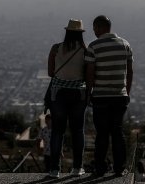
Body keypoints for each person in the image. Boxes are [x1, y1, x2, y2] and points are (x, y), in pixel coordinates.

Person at [85, 15, 133, 177]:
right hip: (120, 96)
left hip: (100, 97)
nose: (94, 31)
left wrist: (88, 93)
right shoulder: (125, 44)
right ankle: (120, 168)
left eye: (94, 28)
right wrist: (127, 91)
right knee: (117, 131)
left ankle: (100, 168)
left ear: (100, 27)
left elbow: (90, 73)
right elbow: (130, 71)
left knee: (102, 134)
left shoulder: (93, 47)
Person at [47, 19, 87, 178]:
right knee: (77, 131)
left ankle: (54, 169)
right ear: (80, 34)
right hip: (78, 93)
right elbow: (87, 74)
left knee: (57, 131)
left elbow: (51, 72)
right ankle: (77, 168)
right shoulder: (85, 51)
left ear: (67, 32)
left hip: (58, 93)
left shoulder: (56, 48)